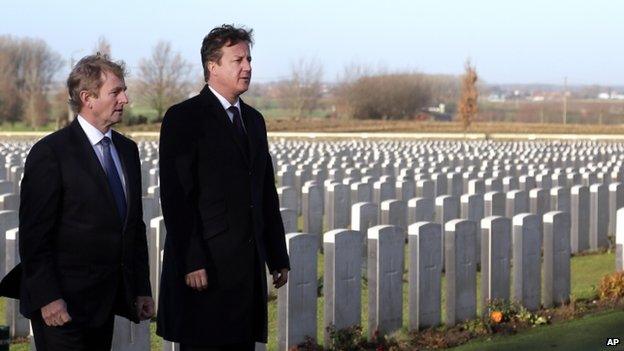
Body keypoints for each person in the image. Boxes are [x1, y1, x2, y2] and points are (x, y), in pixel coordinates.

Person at [0, 54, 154, 351]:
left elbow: (132, 226)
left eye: (124, 90)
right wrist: (48, 297)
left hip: (105, 303)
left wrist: (141, 289)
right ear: (88, 97)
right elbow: (35, 236)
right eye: (116, 91)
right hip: (61, 306)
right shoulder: (52, 153)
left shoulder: (126, 150)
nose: (126, 98)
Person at [157, 24, 290, 350]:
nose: (247, 67)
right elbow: (177, 197)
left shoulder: (254, 120)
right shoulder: (184, 118)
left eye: (249, 59)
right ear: (212, 66)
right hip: (206, 268)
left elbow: (263, 192)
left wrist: (277, 254)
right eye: (237, 60)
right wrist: (191, 260)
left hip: (246, 267)